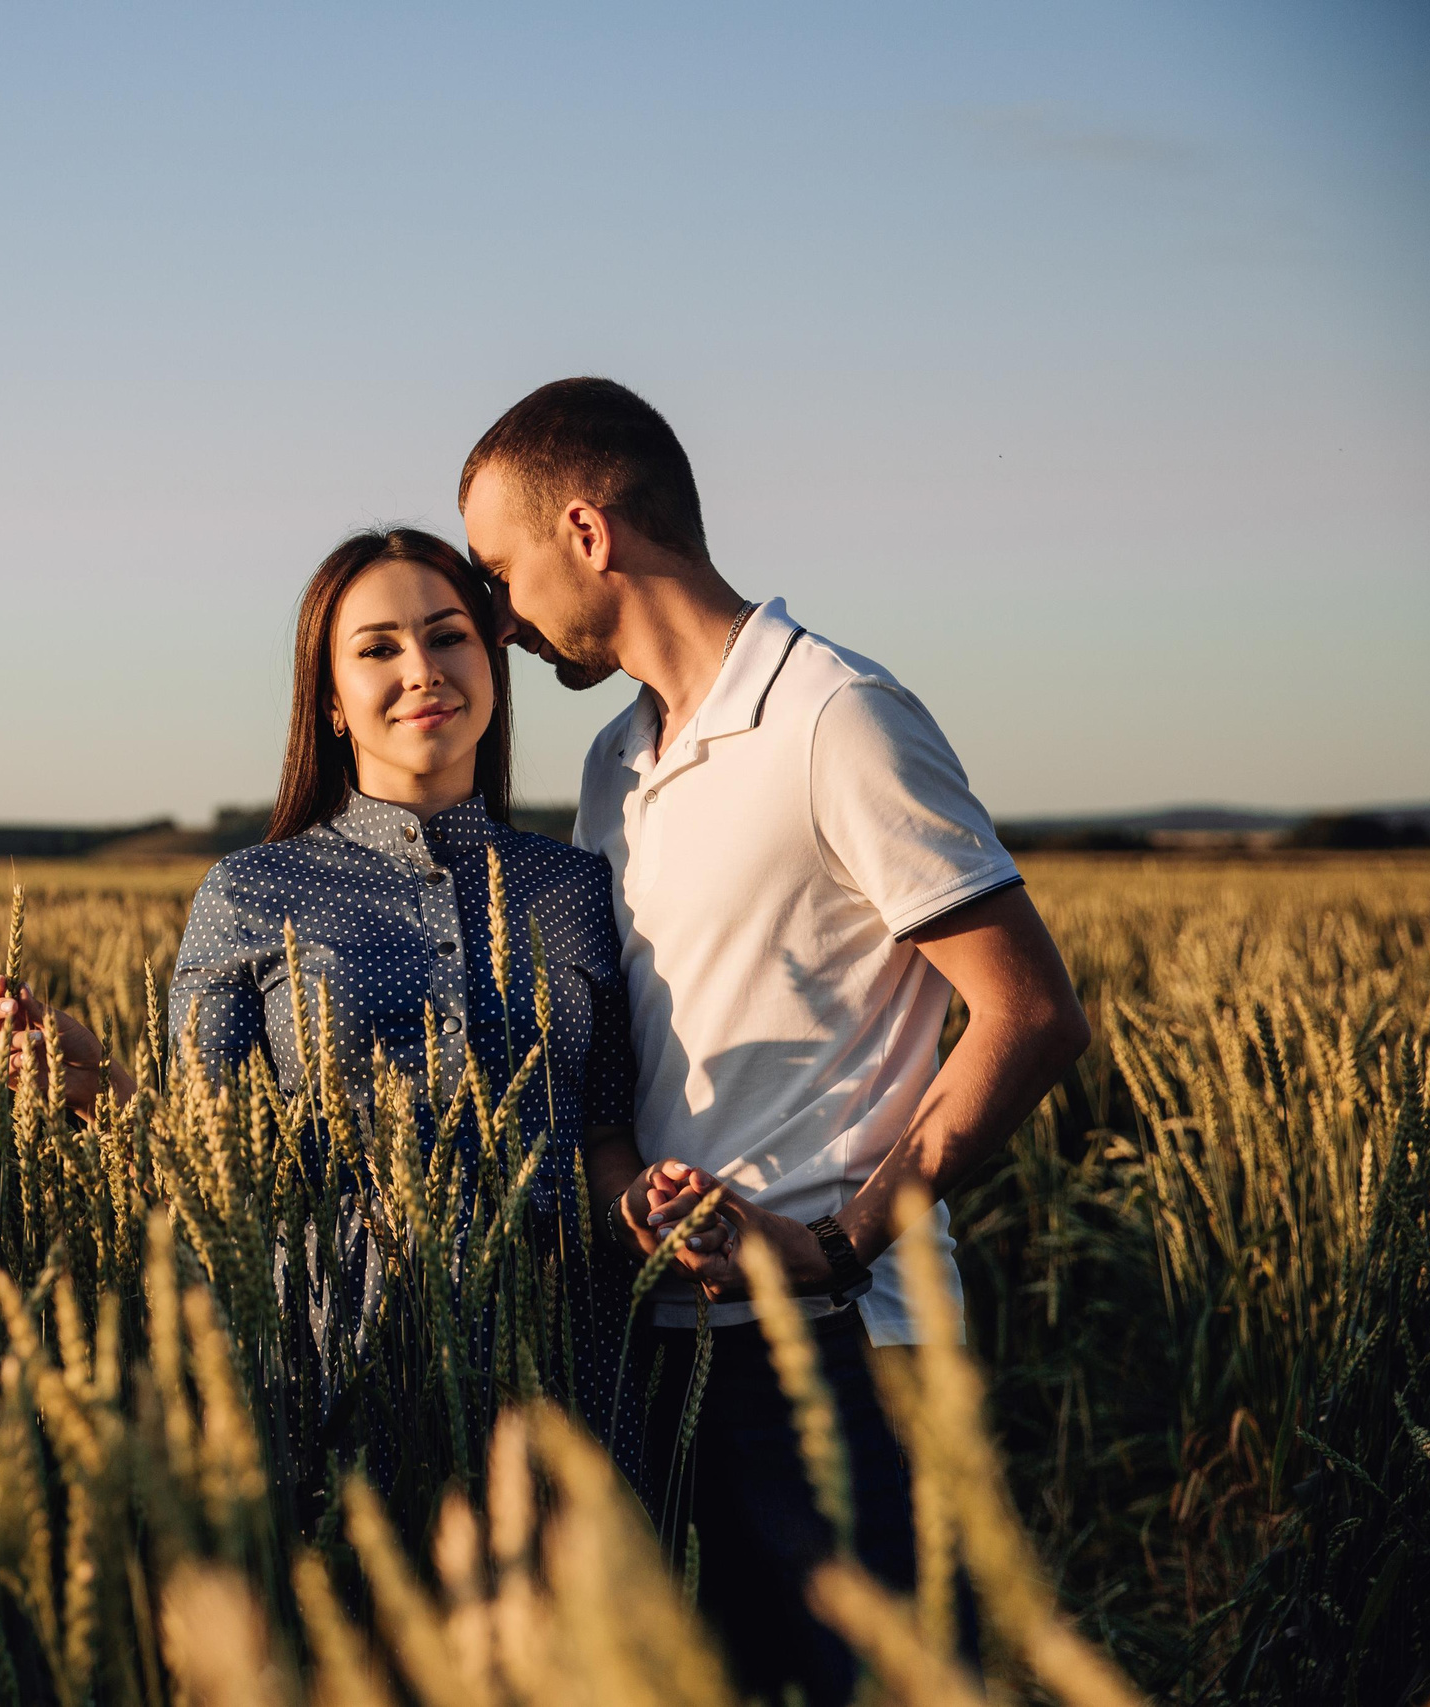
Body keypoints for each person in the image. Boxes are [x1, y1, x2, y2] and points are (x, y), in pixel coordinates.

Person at [457, 376, 1091, 1706]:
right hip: (671, 1344)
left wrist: (840, 1241)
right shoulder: (614, 762)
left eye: (502, 571)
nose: (499, 618)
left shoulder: (833, 716)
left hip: (847, 1342)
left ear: (588, 531)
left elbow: (1028, 1010)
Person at [0, 526, 721, 1490]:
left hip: (566, 1365)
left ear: (492, 666)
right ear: (330, 701)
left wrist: (650, 1206)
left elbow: (603, 1137)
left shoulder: (576, 886)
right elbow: (210, 1161)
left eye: (449, 636)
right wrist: (98, 1086)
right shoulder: (251, 894)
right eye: (378, 648)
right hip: (340, 1360)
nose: (423, 669)